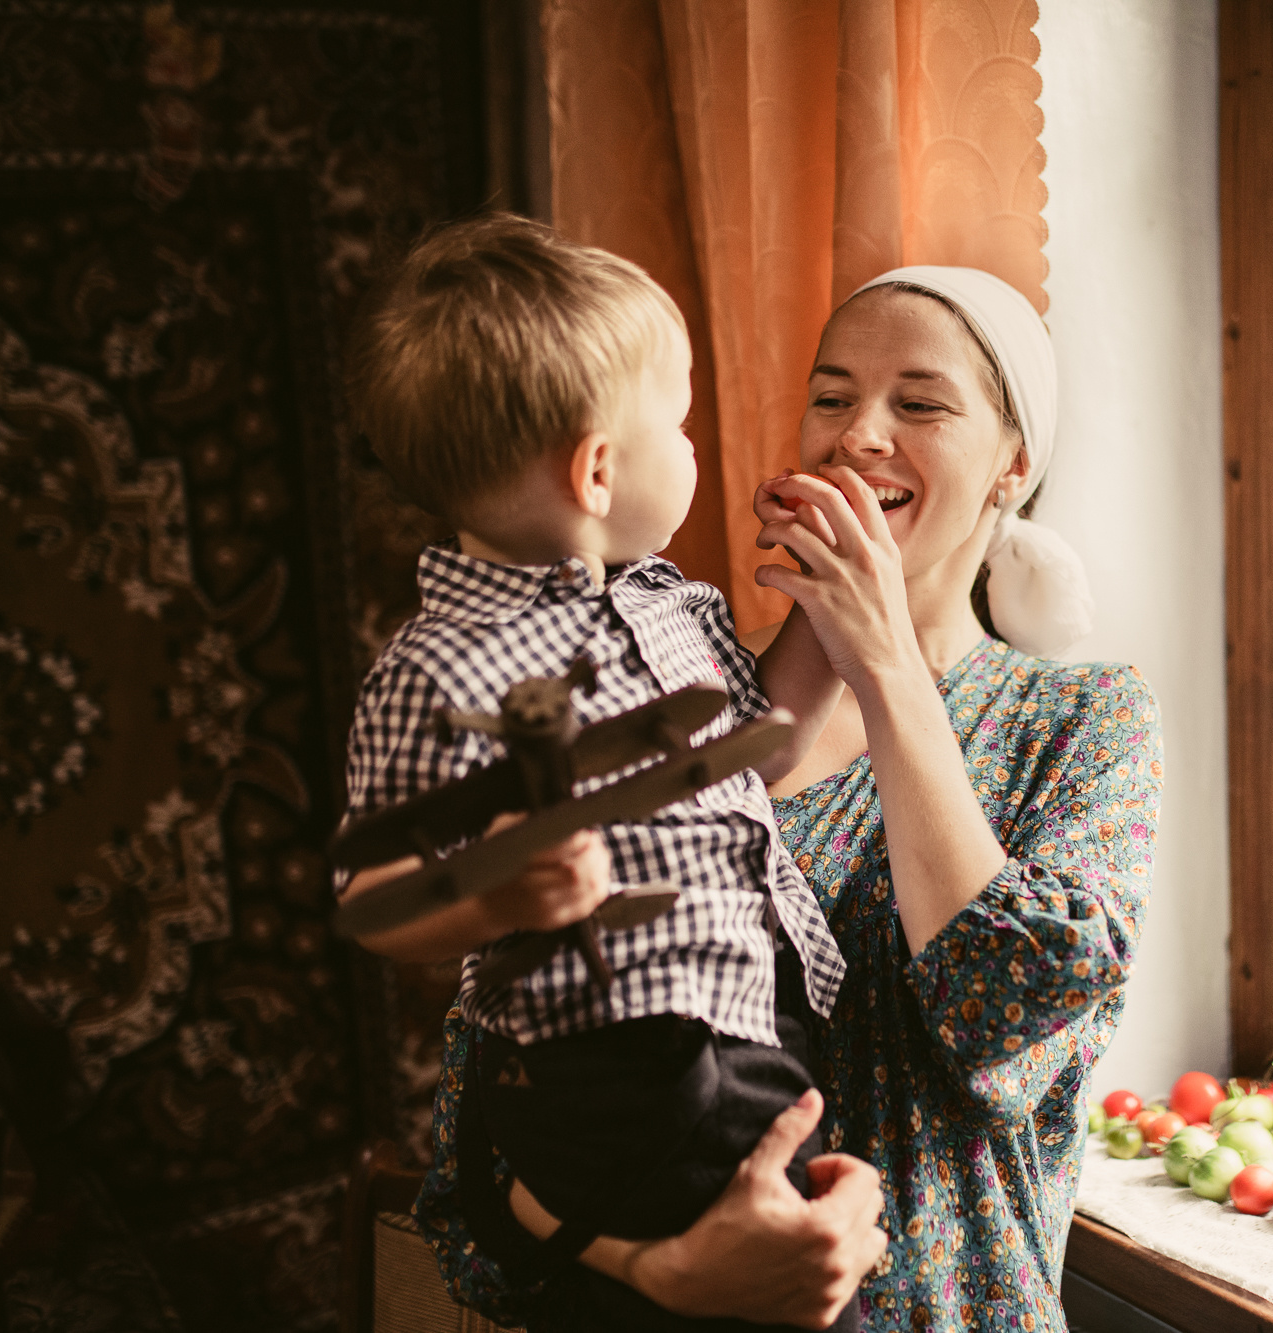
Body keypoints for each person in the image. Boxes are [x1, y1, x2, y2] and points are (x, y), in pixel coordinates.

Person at [412, 265, 1163, 1333]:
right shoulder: (660, 689)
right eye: (830, 396)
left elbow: (1001, 1016)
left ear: (1013, 463)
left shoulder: (1079, 722)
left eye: (919, 402)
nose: (859, 434)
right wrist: (662, 1268)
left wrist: (886, 661)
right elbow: (492, 1100)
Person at [336, 214, 865, 1331]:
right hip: (612, 1062)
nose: (694, 446)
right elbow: (370, 898)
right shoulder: (437, 668)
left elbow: (759, 745)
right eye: (677, 423)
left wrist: (827, 597)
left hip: (754, 1027)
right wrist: (494, 896)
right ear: (595, 468)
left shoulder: (672, 606)